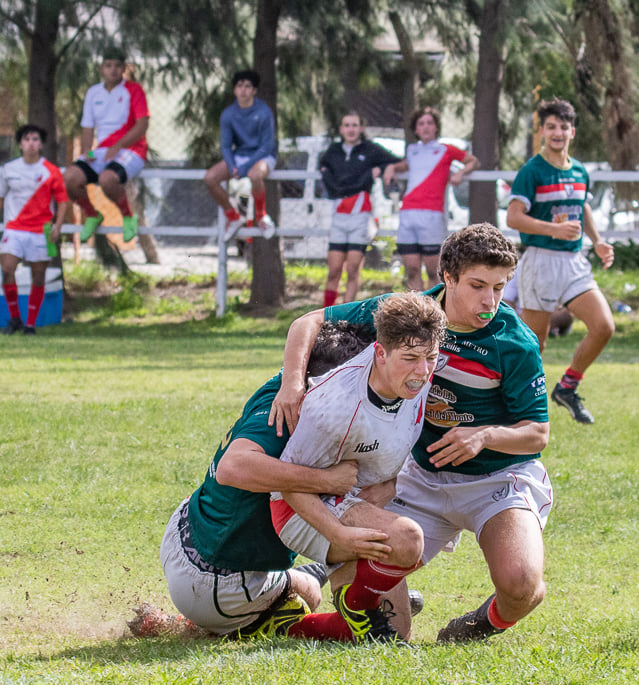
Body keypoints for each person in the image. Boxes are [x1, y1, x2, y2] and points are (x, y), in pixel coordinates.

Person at [271, 223, 552, 643]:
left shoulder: (514, 342)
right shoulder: (408, 316)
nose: (490, 301)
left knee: (522, 585)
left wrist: (483, 436)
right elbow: (309, 321)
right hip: (418, 478)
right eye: (477, 286)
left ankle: (478, 625)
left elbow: (537, 433)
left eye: (499, 287)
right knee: (385, 634)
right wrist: (292, 383)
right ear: (448, 277)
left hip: (496, 480)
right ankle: (297, 603)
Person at [160, 322, 379, 640]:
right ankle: (263, 616)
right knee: (308, 593)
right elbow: (232, 467)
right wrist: (328, 481)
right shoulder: (290, 416)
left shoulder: (285, 386)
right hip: (218, 581)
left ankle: (205, 616)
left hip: (185, 532)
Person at [269, 292, 444, 642]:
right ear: (379, 354)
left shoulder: (417, 372)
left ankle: (287, 624)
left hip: (357, 499)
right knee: (407, 539)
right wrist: (338, 535)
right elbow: (288, 486)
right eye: (410, 359)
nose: (422, 371)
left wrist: (388, 487)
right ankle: (354, 599)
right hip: (302, 509)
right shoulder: (334, 406)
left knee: (394, 634)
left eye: (431, 358)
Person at [506, 98, 615, 425]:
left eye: (563, 127)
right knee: (534, 345)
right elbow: (514, 217)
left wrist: (598, 241)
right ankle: (516, 406)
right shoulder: (532, 171)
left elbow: (582, 207)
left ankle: (567, 387)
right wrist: (553, 229)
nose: (557, 132)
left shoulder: (580, 170)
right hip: (540, 261)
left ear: (572, 132)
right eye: (551, 127)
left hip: (573, 262)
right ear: (541, 131)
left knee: (603, 326)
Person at [382, 107, 479, 291]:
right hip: (408, 212)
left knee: (433, 270)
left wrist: (460, 173)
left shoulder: (446, 149)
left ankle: (434, 306)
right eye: (421, 123)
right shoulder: (412, 150)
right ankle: (415, 307)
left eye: (429, 123)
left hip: (432, 214)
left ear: (436, 127)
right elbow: (405, 165)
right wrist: (391, 168)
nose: (425, 127)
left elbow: (473, 161)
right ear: (416, 129)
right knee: (412, 269)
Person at [0, 124, 69, 335]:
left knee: (38, 277)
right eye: (27, 139)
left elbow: (62, 201)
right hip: (14, 229)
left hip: (41, 231)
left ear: (41, 144)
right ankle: (15, 318)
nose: (31, 143)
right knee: (7, 269)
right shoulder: (9, 169)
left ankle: (30, 324)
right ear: (20, 144)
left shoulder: (51, 171)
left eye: (35, 139)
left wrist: (58, 227)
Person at [64, 48, 149, 244]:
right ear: (101, 68)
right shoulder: (93, 92)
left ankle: (128, 216)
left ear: (124, 68)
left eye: (117, 66)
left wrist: (118, 145)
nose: (113, 70)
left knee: (107, 179)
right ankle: (92, 215)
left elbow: (142, 125)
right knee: (69, 178)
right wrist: (87, 151)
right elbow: (87, 126)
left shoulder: (134, 90)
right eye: (108, 65)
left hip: (131, 150)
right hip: (103, 151)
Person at [318, 112, 400, 306]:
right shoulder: (333, 151)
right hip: (339, 216)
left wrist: (386, 168)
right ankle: (326, 314)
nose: (351, 129)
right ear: (341, 129)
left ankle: (345, 317)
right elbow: (328, 175)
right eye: (347, 125)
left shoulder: (370, 149)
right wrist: (360, 179)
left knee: (353, 269)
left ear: (361, 128)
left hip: (360, 216)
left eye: (355, 125)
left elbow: (395, 160)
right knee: (334, 270)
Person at [204, 70, 278, 241]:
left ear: (254, 91)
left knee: (255, 175)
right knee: (210, 178)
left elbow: (267, 146)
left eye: (247, 86)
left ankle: (261, 216)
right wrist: (232, 166)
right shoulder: (228, 114)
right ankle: (233, 217)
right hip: (240, 156)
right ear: (234, 90)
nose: (243, 90)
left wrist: (246, 166)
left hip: (262, 156)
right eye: (239, 86)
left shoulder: (264, 112)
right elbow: (226, 145)